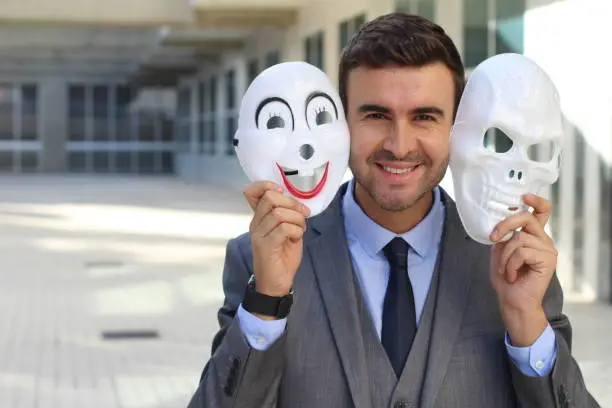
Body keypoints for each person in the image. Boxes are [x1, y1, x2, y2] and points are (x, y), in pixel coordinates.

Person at [187, 12, 599, 408]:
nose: (399, 146)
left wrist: (526, 321)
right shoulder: (256, 259)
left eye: (424, 117)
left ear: (456, 127)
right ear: (343, 122)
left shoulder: (517, 263)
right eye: (376, 115)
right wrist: (266, 302)